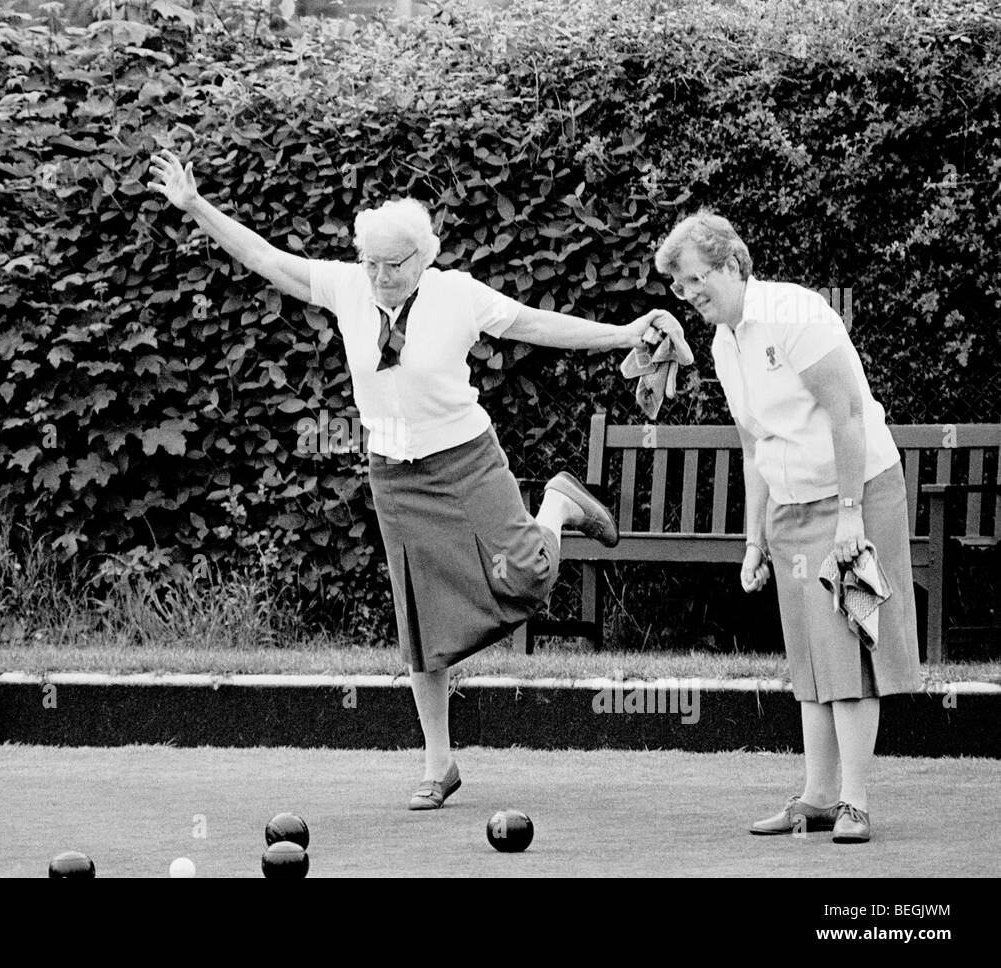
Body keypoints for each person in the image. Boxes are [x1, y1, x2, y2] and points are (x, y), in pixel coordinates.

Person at [148, 149, 685, 809]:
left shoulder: (457, 294)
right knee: (422, 626)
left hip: (465, 457)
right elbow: (265, 258)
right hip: (395, 475)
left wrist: (624, 332)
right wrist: (196, 207)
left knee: (531, 575)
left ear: (423, 257)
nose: (376, 275)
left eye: (390, 264)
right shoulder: (348, 287)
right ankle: (439, 765)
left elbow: (540, 326)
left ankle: (558, 503)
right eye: (368, 261)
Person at [654, 210, 922, 843]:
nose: (688, 295)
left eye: (693, 280)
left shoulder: (796, 315)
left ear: (727, 265)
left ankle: (855, 803)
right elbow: (755, 448)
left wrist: (851, 519)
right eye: (679, 287)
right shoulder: (725, 343)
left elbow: (848, 415)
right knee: (807, 652)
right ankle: (818, 797)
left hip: (856, 494)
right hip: (792, 508)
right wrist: (755, 540)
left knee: (847, 644)